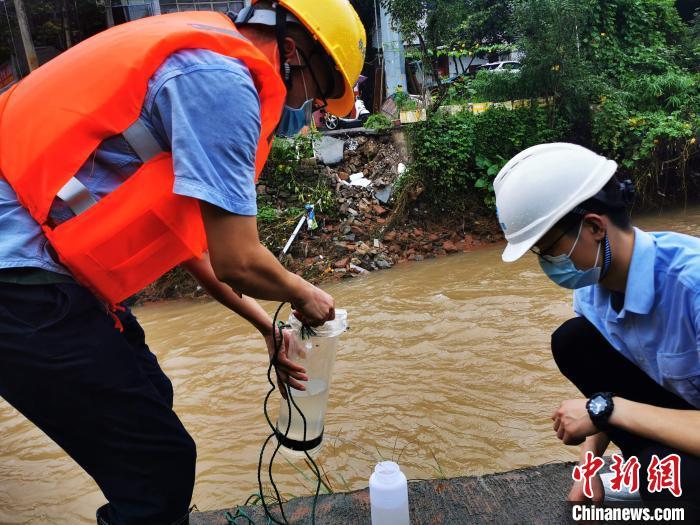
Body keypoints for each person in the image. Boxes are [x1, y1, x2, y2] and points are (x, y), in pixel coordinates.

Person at [0, 1, 366, 524]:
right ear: (289, 50)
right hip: (17, 272)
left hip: (39, 264)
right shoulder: (224, 84)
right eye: (317, 91)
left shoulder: (205, 57)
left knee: (153, 399)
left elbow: (194, 247)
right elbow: (238, 260)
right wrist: (303, 295)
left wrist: (266, 325)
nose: (313, 110)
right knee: (158, 465)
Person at [494, 143, 700, 515]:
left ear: (593, 227)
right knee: (573, 341)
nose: (548, 265)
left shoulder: (692, 286)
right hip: (680, 421)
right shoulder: (592, 295)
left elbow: (606, 404)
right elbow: (610, 389)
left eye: (548, 250)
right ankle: (657, 473)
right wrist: (588, 469)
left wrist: (605, 410)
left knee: (678, 492)